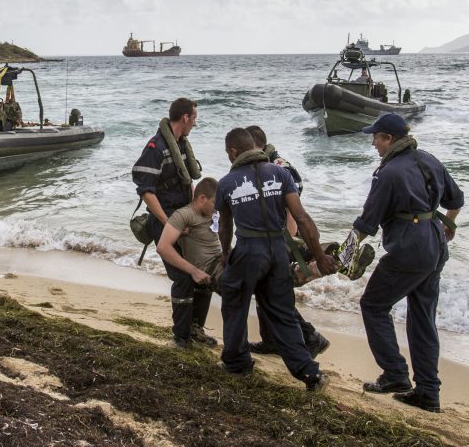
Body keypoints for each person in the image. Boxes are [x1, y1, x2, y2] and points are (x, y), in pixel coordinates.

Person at [355, 112, 462, 413]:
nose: (373, 143)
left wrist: (342, 257)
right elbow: (456, 201)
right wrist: (448, 227)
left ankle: (395, 374)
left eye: (376, 137)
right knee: (422, 317)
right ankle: (428, 392)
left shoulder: (388, 172)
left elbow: (367, 222)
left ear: (389, 139)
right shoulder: (430, 159)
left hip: (409, 250)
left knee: (373, 306)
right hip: (435, 247)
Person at [217, 127, 336, 391]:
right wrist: (319, 255)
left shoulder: (226, 182)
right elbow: (302, 219)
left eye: (228, 152)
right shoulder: (281, 173)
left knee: (235, 303)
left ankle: (237, 363)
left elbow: (225, 228)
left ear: (234, 151)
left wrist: (226, 255)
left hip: (248, 249)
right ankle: (310, 373)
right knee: (282, 313)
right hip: (278, 250)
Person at [244, 125, 328, 357]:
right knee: (266, 288)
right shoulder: (263, 164)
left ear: (253, 145)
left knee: (275, 291)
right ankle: (270, 339)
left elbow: (291, 209)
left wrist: (287, 242)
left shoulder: (278, 167)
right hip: (273, 236)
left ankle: (311, 338)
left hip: (284, 238)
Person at [131, 97, 202, 348]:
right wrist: (168, 222)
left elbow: (187, 181)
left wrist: (196, 215)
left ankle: (195, 330)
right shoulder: (156, 147)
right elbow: (146, 192)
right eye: (194, 117)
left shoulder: (181, 145)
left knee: (201, 273)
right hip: (166, 221)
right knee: (183, 277)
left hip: (184, 218)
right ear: (185, 118)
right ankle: (181, 338)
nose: (195, 122)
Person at [155, 177, 222, 347]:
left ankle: (195, 329)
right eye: (215, 202)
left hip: (221, 261)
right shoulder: (184, 215)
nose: (218, 206)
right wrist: (194, 271)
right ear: (202, 198)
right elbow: (163, 247)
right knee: (239, 289)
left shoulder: (212, 213)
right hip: (207, 266)